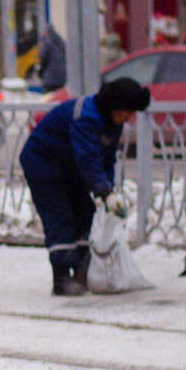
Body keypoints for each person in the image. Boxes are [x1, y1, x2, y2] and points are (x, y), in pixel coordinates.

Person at [19, 76, 153, 296]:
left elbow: (106, 158)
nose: (127, 118)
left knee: (85, 214)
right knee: (60, 218)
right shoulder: (86, 117)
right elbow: (88, 158)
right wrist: (104, 192)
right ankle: (61, 278)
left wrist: (107, 191)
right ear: (112, 105)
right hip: (44, 166)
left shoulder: (111, 122)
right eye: (125, 111)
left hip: (70, 168)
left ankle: (83, 274)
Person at [36, 23, 67, 93]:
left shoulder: (47, 42)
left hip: (50, 79)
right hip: (61, 78)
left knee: (48, 99)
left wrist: (39, 72)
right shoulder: (60, 41)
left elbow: (42, 58)